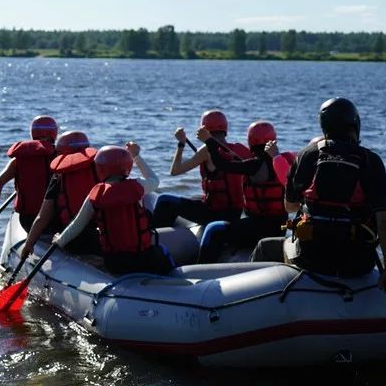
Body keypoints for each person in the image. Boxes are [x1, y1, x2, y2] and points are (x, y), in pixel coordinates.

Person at [257, 98, 386, 291]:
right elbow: (385, 221)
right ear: (355, 124)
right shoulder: (371, 160)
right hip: (358, 263)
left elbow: (289, 207)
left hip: (312, 258)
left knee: (265, 247)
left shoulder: (307, 154)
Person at [53, 143, 173, 275]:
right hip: (143, 259)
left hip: (114, 263)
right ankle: (172, 279)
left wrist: (60, 240)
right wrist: (136, 156)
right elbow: (154, 180)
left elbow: (77, 224)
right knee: (163, 250)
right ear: (127, 166)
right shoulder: (138, 186)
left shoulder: (95, 194)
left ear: (99, 168)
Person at [197, 121, 295, 262]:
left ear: (250, 140)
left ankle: (201, 269)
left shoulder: (253, 165)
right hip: (279, 228)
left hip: (260, 228)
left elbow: (222, 165)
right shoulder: (284, 162)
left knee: (214, 229)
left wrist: (209, 141)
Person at [151, 110, 251, 228]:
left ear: (204, 129)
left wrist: (181, 143)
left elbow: (175, 171)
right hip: (235, 213)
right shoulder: (240, 149)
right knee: (196, 199)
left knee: (164, 200)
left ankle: (154, 237)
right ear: (225, 128)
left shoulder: (206, 150)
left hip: (214, 214)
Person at [20, 131, 99, 259]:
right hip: (99, 240)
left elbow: (43, 217)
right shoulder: (101, 170)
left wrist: (28, 245)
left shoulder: (59, 176)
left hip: (72, 241)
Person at [0, 115, 58, 231]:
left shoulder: (17, 161)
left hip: (27, 219)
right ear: (54, 133)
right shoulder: (60, 157)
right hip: (54, 218)